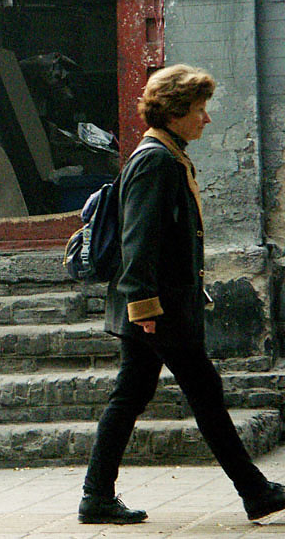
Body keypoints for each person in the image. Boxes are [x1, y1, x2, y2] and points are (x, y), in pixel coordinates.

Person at [78, 64, 285, 524]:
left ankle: (96, 497)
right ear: (174, 112)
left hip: (161, 307)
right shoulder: (156, 159)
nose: (206, 119)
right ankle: (255, 492)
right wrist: (145, 307)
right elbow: (139, 238)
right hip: (158, 310)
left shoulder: (166, 152)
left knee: (136, 395)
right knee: (201, 395)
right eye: (199, 110)